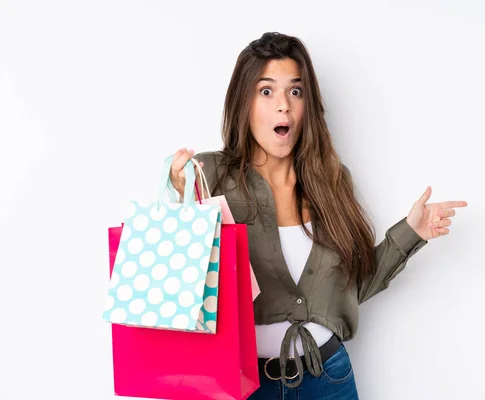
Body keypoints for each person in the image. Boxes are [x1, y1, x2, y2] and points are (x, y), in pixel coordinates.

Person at [170, 32, 467, 399]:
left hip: (329, 379)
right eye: (267, 91)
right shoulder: (210, 176)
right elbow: (180, 278)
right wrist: (175, 188)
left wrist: (411, 232)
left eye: (295, 91)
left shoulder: (331, 180)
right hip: (243, 386)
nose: (284, 106)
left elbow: (347, 291)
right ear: (243, 103)